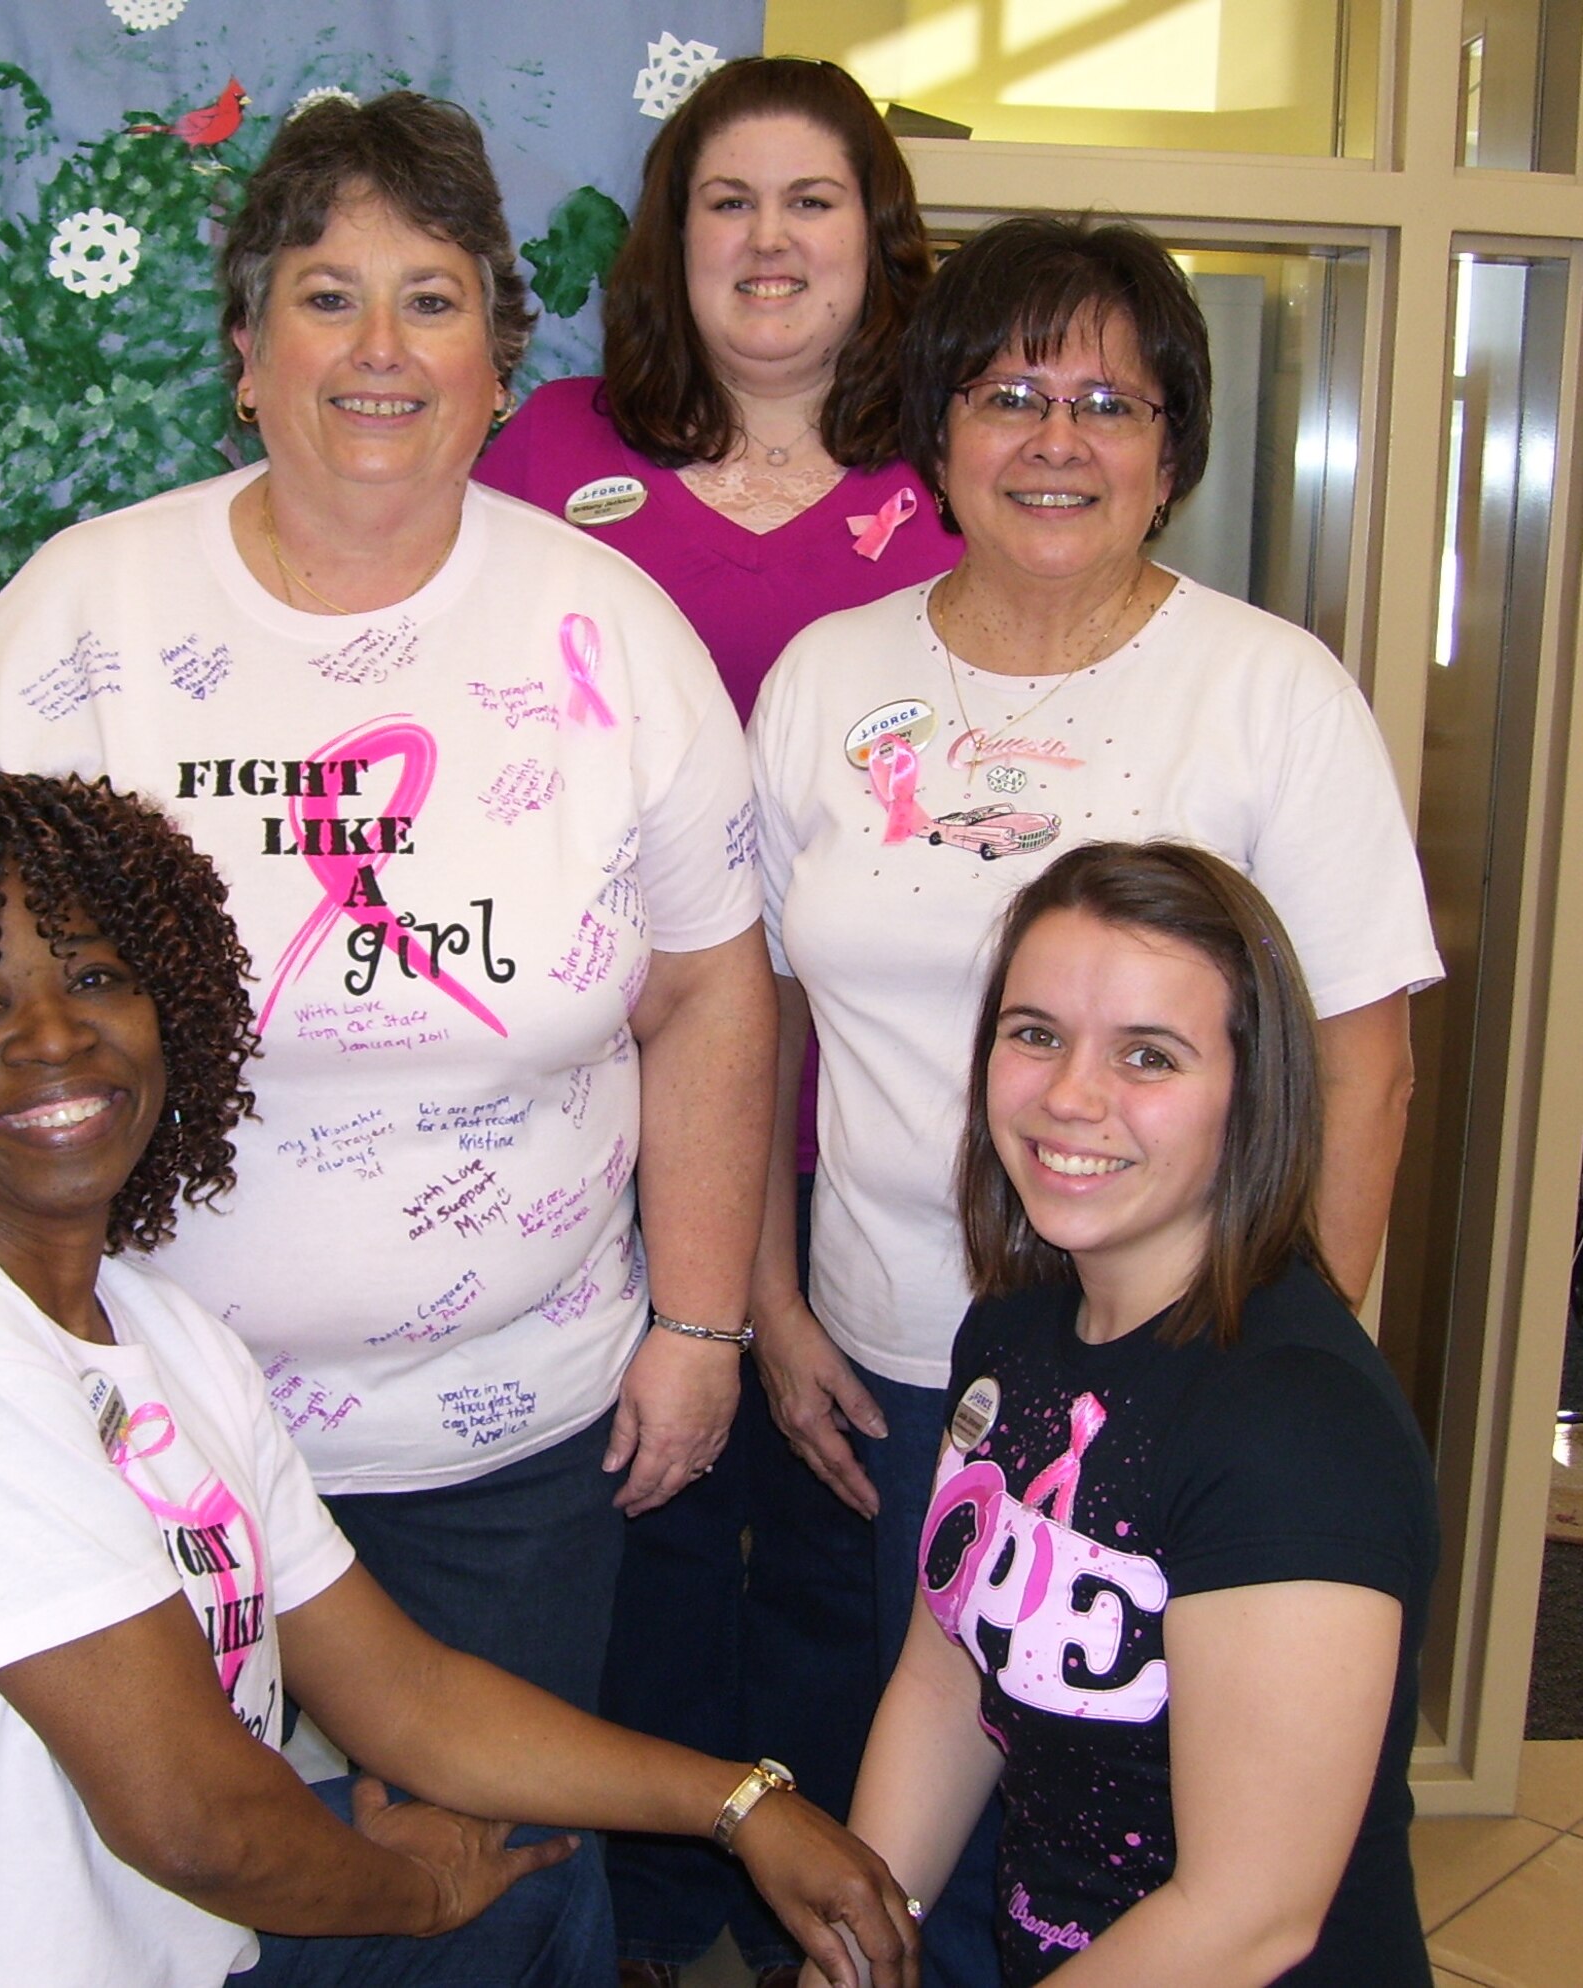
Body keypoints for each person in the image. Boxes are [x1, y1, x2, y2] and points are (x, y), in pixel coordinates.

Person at [0, 770, 920, 1988]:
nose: (54, 1040)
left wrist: (745, 1804)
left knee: (529, 1864)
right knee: (464, 1885)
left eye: (98, 980)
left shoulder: (158, 1335)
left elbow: (408, 1699)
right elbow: (195, 1821)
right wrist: (417, 1894)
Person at [0, 92, 775, 1740]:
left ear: (498, 362)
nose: (379, 345)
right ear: (246, 351)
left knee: (485, 1881)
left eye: (433, 298)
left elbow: (714, 993)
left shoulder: (616, 631)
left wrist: (700, 1322)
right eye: (325, 295)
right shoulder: (74, 620)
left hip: (506, 1449)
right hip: (140, 1424)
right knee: (178, 1887)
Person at [747, 213, 1441, 1985]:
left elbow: (1358, 1054)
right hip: (900, 1361)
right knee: (948, 1781)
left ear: (1172, 450)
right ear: (938, 429)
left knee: (1172, 1832)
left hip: (1176, 1370)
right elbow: (748, 1021)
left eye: (1112, 402)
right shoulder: (831, 677)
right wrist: (761, 1306)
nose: (1057, 438)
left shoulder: (1270, 689)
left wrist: (1263, 1369)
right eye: (1008, 392)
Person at [479, 57, 956, 1985]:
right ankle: (661, 1911)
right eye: (729, 200)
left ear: (878, 236)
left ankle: (843, 1902)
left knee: (850, 1539)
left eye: (813, 199)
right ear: (673, 243)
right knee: (654, 1530)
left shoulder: (958, 470)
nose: (771, 239)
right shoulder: (554, 449)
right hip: (606, 1120)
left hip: (893, 1134)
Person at [810, 840, 1438, 1987]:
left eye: (1146, 1055)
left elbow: (1247, 1916)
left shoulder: (1293, 1427)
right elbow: (942, 1682)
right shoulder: (1011, 1334)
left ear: (1251, 1092)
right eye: (1033, 1031)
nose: (1068, 1095)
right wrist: (850, 1955)